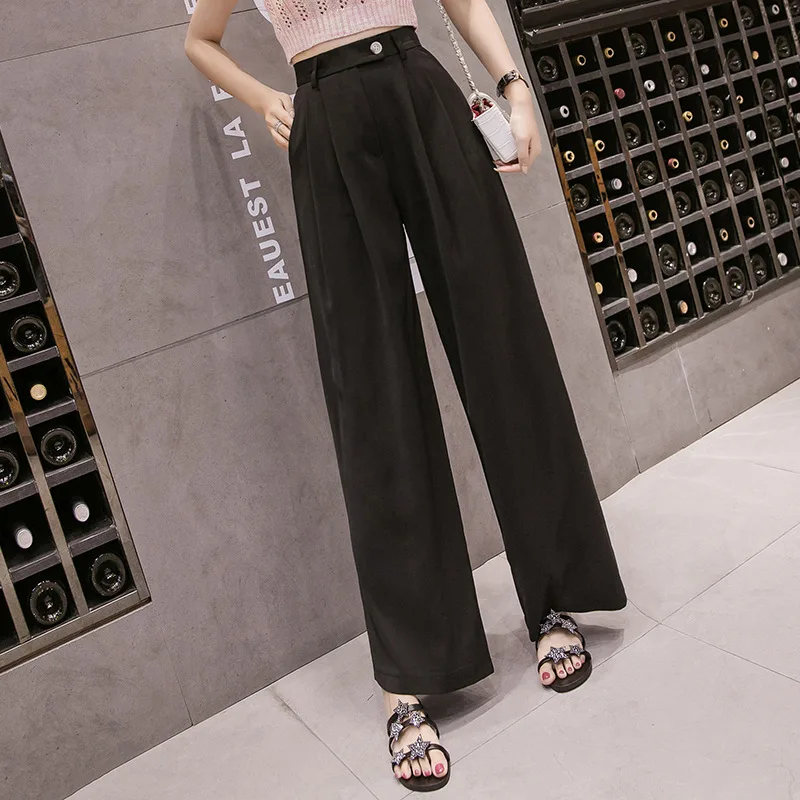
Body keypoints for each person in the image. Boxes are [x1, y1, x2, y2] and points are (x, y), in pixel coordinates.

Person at [185, 0, 627, 792]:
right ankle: (408, 675)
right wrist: (266, 99)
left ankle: (555, 596)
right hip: (326, 122)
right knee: (372, 392)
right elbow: (200, 40)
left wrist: (515, 87)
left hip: (422, 92)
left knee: (503, 347)